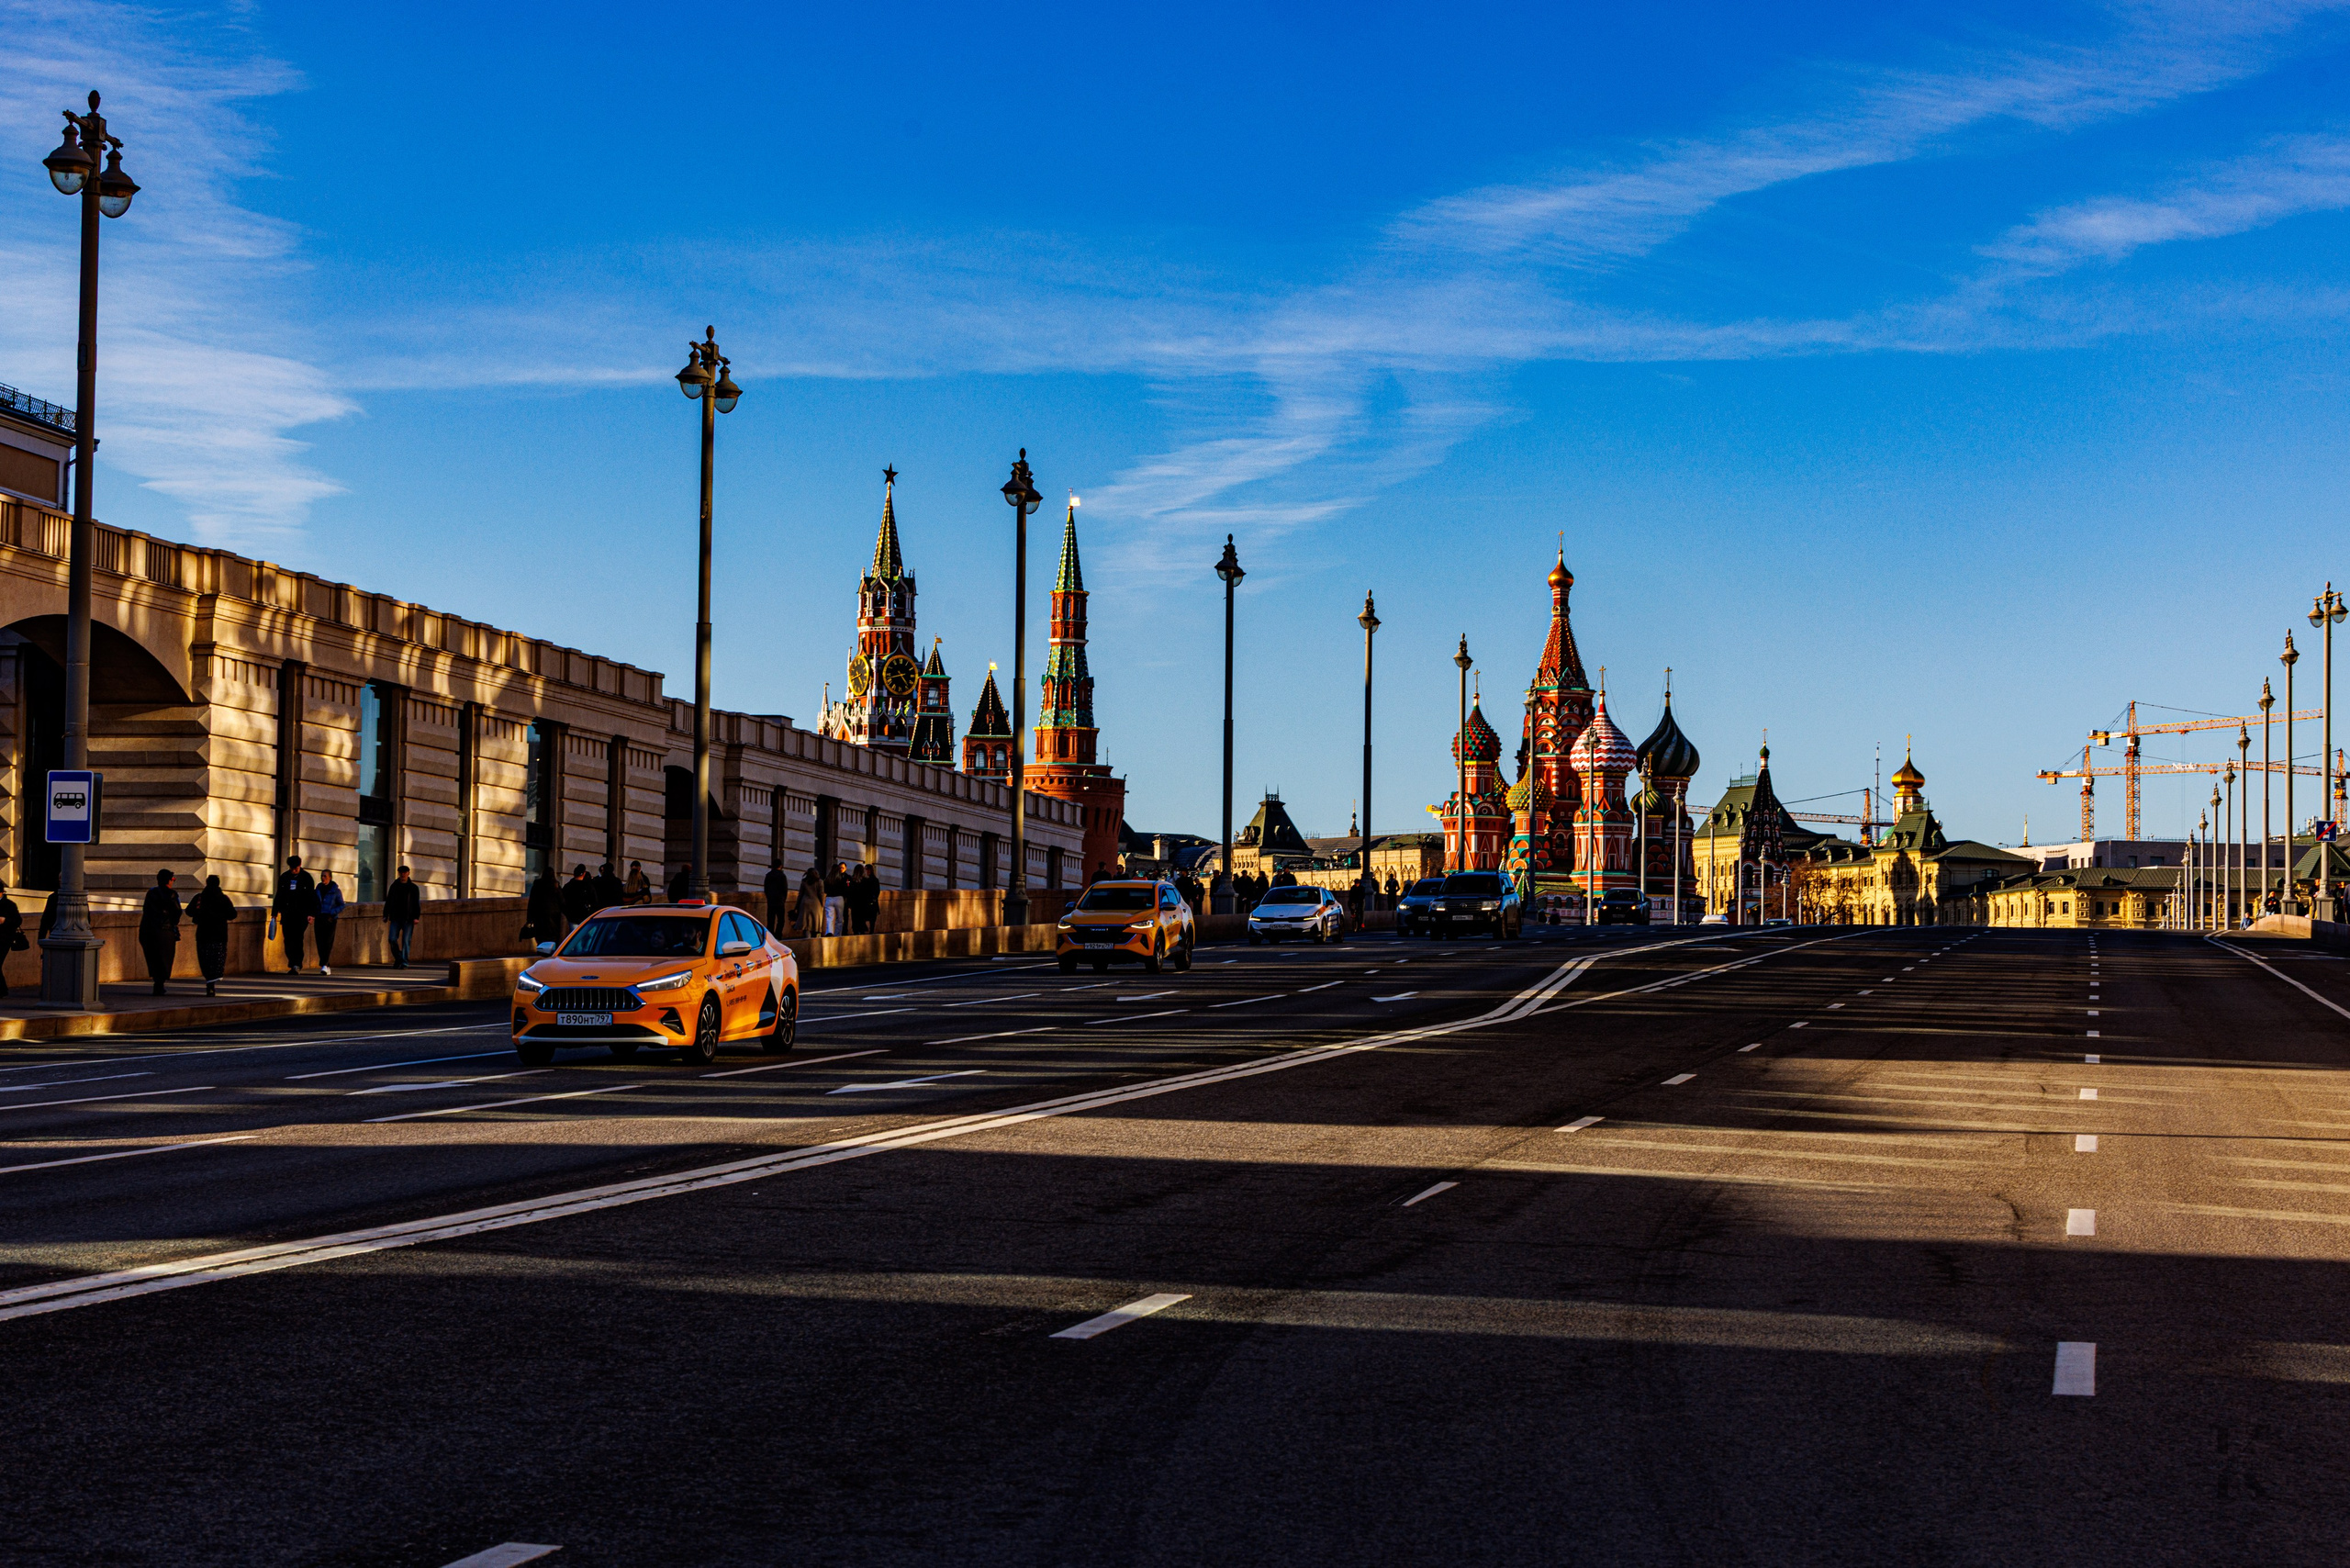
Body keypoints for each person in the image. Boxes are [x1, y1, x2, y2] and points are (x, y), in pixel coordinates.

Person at [187, 874, 238, 996]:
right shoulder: (223, 898)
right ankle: (211, 984)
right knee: (216, 961)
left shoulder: (199, 897)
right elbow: (233, 914)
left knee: (205, 960)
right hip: (219, 935)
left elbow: (189, 911)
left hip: (203, 935)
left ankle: (209, 981)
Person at [140, 868, 183, 996]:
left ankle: (157, 982)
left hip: (149, 930)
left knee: (153, 957)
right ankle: (160, 983)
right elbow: (177, 912)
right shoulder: (172, 894)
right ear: (168, 880)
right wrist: (173, 923)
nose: (173, 882)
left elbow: (146, 910)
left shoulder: (151, 892)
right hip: (165, 930)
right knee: (165, 958)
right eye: (172, 879)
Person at [273, 855, 318, 975]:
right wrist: (274, 913)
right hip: (287, 914)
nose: (293, 871)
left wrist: (311, 914)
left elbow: (312, 898)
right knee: (288, 939)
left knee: (297, 938)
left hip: (301, 914)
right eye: (292, 868)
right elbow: (279, 896)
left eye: (295, 868)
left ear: (299, 866)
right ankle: (292, 962)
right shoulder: (284, 877)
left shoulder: (307, 878)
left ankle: (296, 963)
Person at [385, 865, 421, 969]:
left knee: (406, 941)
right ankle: (399, 957)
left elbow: (416, 904)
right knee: (392, 939)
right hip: (395, 917)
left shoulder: (413, 888)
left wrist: (416, 917)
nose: (403, 874)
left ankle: (404, 962)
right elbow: (388, 901)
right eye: (401, 872)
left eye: (405, 872)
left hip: (408, 918)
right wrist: (385, 914)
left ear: (408, 873)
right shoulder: (394, 886)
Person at [314, 868, 344, 976]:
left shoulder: (335, 891)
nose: (323, 878)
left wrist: (333, 912)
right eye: (322, 876)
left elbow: (342, 905)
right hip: (319, 918)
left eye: (325, 876)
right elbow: (314, 903)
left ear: (330, 878)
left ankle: (324, 965)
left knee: (327, 942)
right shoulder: (318, 889)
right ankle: (326, 964)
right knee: (320, 942)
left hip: (330, 919)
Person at [526, 867, 565, 949]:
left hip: (539, 916)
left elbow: (532, 903)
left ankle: (542, 951)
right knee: (553, 937)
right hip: (554, 916)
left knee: (541, 937)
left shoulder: (537, 886)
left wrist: (529, 919)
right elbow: (562, 901)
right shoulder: (556, 886)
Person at [0, 883, 20, 1001]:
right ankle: (2, 990)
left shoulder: (9, 905)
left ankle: (2, 990)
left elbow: (17, 921)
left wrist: (5, 921)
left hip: (4, 940)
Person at [561, 864, 597, 930]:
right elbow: (594, 901)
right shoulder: (588, 887)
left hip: (572, 917)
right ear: (584, 873)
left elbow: (563, 902)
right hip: (585, 917)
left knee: (575, 936)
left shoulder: (568, 886)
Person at [797, 863, 824, 937]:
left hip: (805, 903)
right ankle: (814, 942)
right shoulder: (820, 882)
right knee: (816, 924)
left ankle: (807, 940)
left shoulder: (804, 881)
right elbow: (821, 894)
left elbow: (800, 894)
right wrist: (823, 904)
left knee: (806, 925)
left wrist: (797, 906)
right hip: (816, 904)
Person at [823, 862, 848, 937]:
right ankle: (838, 934)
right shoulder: (842, 878)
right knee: (839, 918)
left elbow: (825, 890)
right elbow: (846, 888)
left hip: (829, 898)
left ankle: (829, 932)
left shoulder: (828, 879)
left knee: (829, 917)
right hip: (839, 898)